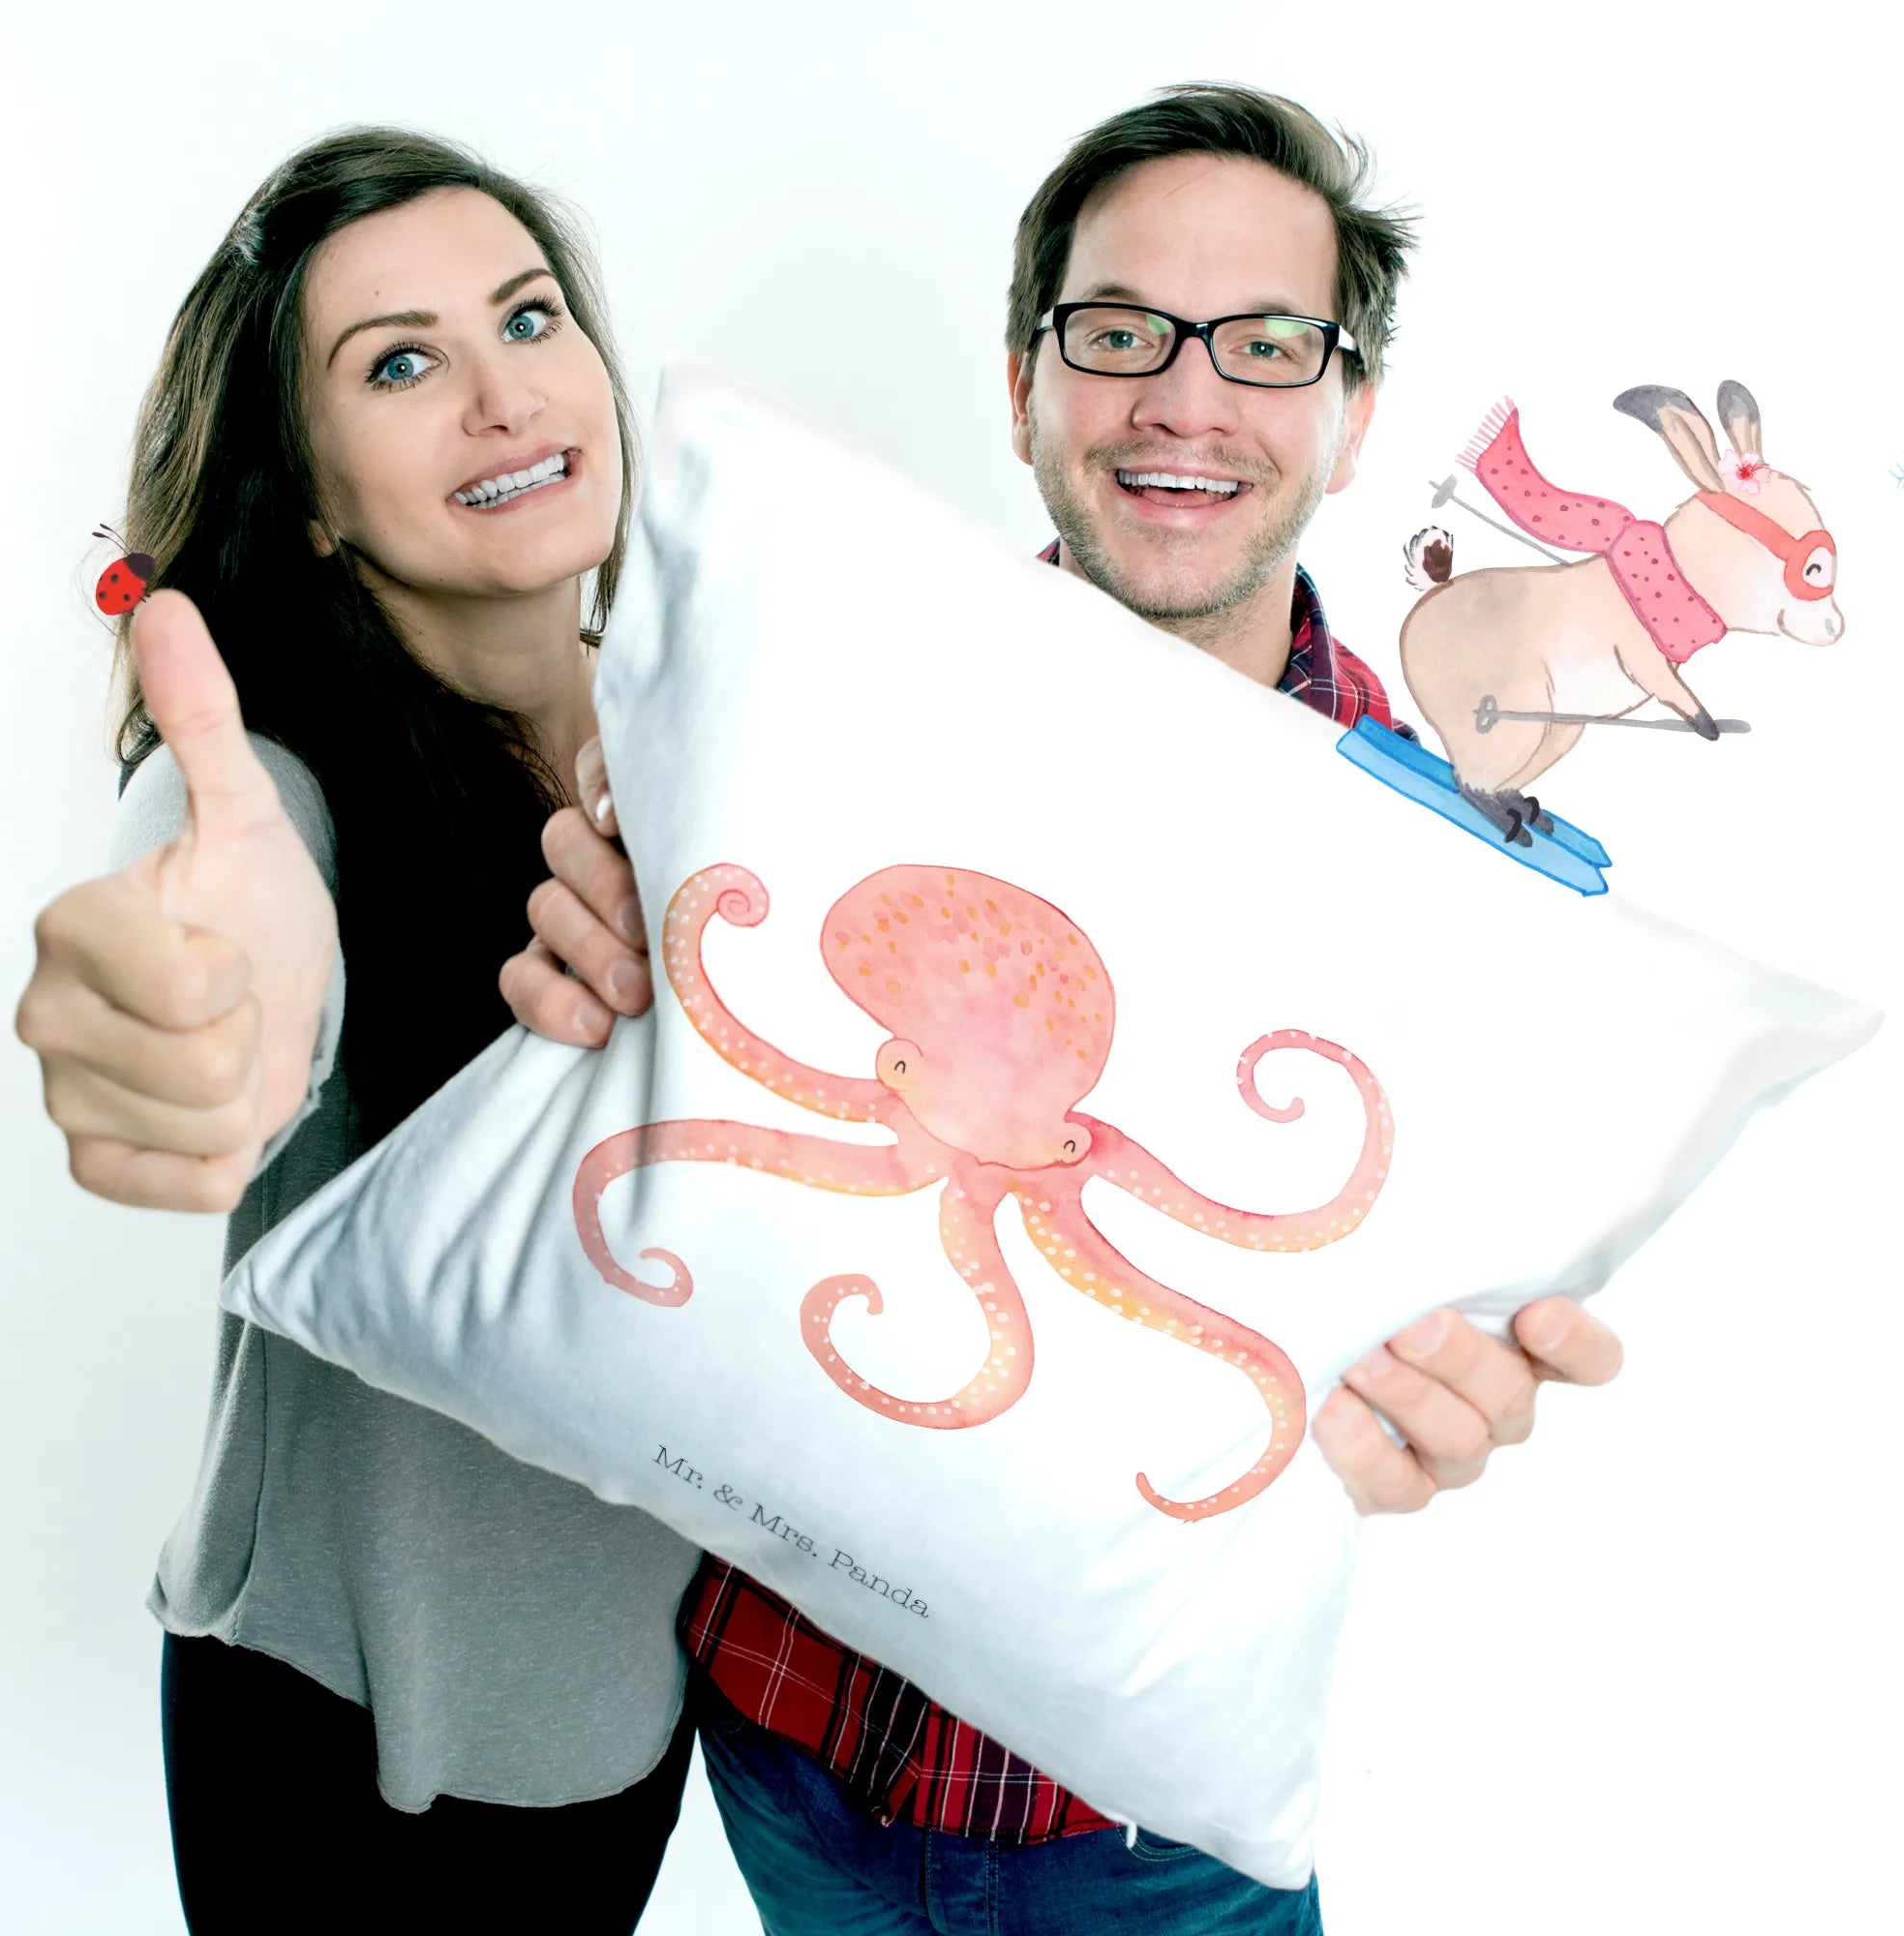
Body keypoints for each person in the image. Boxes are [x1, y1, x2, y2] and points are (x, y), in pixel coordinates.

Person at [503, 84, 1626, 1933]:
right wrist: (592, 978)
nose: (1187, 399)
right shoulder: (799, 716)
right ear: (1024, 384)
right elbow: (663, 1143)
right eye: (1120, 334)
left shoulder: (1445, 886)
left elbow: (1416, 1317)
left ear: (1351, 419)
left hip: (1150, 1828)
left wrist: (1442, 1383)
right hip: (779, 1740)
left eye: (1267, 344)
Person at [13, 131, 700, 1932]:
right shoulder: (277, 782)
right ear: (311, 497)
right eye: (399, 363)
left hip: (631, 1711)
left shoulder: (702, 747)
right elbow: (221, 901)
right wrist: (190, 1003)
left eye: (528, 319)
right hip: (350, 1746)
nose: (501, 395)